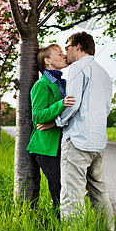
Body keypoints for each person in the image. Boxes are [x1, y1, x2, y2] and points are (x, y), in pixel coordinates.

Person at [38, 32, 114, 231]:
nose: (66, 52)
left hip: (78, 140)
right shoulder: (104, 73)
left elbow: (73, 104)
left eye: (68, 46)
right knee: (99, 193)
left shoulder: (78, 68)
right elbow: (106, 109)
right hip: (98, 142)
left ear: (78, 46)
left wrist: (56, 121)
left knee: (72, 195)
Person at [26, 43, 75, 209]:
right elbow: (38, 116)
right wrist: (61, 104)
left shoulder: (62, 83)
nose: (63, 56)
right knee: (58, 189)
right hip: (46, 147)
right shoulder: (41, 85)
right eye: (59, 53)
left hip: (61, 143)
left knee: (65, 188)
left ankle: (65, 223)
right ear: (47, 61)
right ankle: (60, 226)